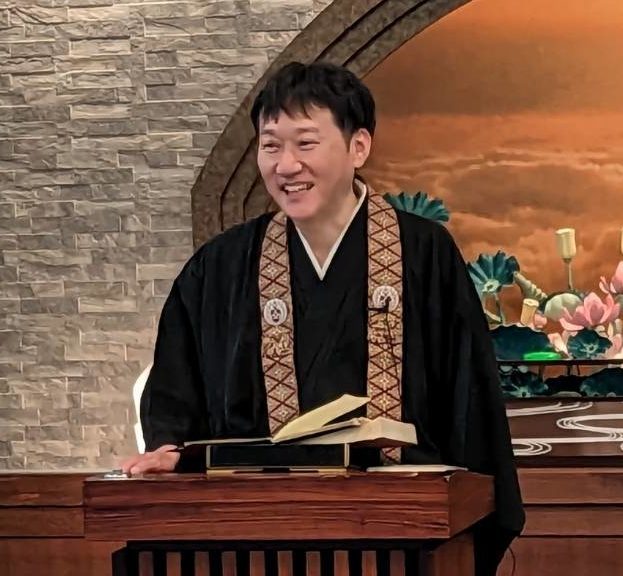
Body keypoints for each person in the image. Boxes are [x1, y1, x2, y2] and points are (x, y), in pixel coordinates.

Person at [121, 61, 524, 574]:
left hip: (402, 533)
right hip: (257, 534)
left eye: (305, 143)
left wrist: (472, 510)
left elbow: (471, 400)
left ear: (359, 147)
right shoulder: (221, 267)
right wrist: (169, 447)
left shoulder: (424, 254)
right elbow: (178, 386)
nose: (286, 165)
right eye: (270, 145)